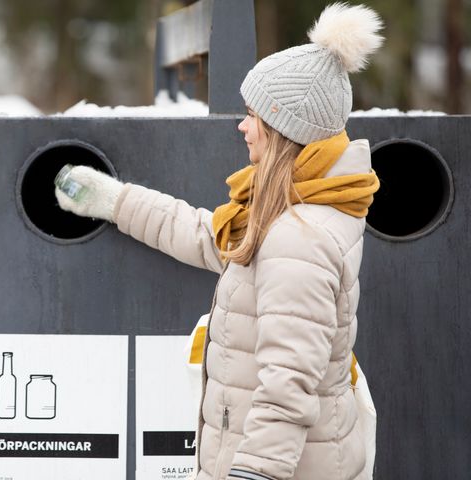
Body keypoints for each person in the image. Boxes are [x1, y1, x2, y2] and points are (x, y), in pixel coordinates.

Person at [55, 3, 383, 479]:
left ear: (284, 131)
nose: (242, 126)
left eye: (253, 116)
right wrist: (114, 201)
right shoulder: (296, 210)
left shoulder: (299, 238)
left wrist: (252, 474)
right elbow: (203, 234)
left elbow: (288, 385)